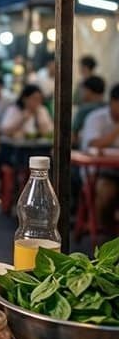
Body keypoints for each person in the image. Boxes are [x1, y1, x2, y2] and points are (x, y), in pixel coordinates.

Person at [81, 84, 119, 235]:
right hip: (99, 173)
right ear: (112, 101)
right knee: (106, 193)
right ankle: (106, 234)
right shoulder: (96, 118)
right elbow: (94, 144)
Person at [72, 75, 106, 147]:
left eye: (82, 90)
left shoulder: (84, 110)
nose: (81, 93)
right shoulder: (107, 107)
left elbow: (73, 136)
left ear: (88, 91)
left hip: (88, 149)